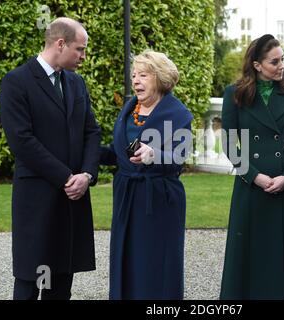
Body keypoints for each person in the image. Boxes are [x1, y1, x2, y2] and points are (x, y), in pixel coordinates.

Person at [0, 17, 101, 300]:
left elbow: (92, 132)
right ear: (60, 44)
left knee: (61, 283)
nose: (83, 56)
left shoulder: (77, 84)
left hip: (72, 201)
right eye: (80, 49)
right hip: (38, 200)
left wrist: (87, 175)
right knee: (32, 281)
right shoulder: (16, 82)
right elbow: (22, 141)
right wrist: (67, 177)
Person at [220, 34, 284, 299]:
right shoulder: (234, 93)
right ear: (257, 65)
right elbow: (228, 143)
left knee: (282, 251)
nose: (281, 66)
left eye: (283, 59)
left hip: (281, 184)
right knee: (247, 249)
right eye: (274, 62)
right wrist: (254, 176)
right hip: (250, 184)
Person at [100, 50, 193, 300]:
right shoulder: (129, 109)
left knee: (156, 263)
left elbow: (180, 156)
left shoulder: (178, 114)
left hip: (160, 200)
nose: (136, 81)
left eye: (143, 75)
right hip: (127, 197)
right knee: (125, 258)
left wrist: (155, 155)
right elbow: (119, 152)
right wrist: (89, 153)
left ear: (160, 78)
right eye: (133, 76)